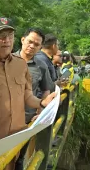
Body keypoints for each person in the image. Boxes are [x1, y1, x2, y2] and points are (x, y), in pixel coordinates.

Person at [0, 17, 56, 170]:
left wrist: (42, 102)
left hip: (17, 139)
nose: (6, 40)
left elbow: (27, 96)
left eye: (10, 36)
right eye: (1, 36)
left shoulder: (21, 64)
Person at [13, 28, 55, 170]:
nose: (32, 46)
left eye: (36, 44)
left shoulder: (41, 66)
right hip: (4, 119)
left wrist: (40, 112)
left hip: (27, 119)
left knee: (19, 158)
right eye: (30, 42)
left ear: (40, 47)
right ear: (23, 40)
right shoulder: (7, 60)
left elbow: (46, 90)